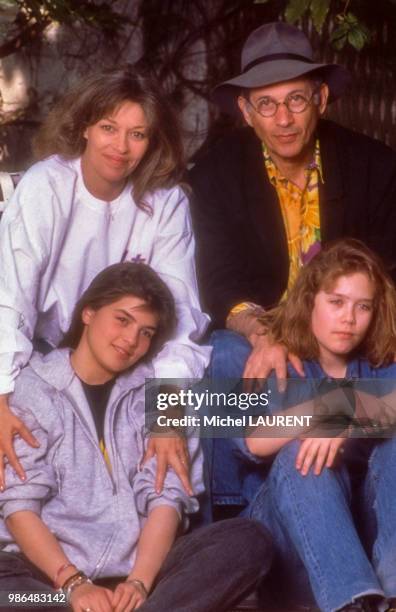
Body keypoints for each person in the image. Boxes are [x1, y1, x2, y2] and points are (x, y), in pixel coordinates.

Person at [0, 262, 272, 612]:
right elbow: (19, 506)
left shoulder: (161, 397)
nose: (131, 340)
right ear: (88, 312)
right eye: (123, 320)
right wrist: (74, 585)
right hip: (51, 583)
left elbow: (166, 498)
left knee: (248, 541)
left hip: (142, 578)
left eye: (146, 332)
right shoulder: (29, 387)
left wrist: (139, 583)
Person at [0, 65, 211, 492]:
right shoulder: (47, 185)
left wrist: (167, 414)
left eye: (138, 134)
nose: (120, 146)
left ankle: (180, 525)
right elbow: (11, 298)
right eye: (108, 127)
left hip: (131, 356)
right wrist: (1, 394)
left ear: (152, 141)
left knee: (184, 417)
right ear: (84, 129)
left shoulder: (166, 201)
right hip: (44, 360)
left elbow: (181, 311)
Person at [189, 21, 396, 383]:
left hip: (351, 339)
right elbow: (219, 281)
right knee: (224, 360)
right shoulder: (214, 175)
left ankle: (324, 427)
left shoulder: (375, 166)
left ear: (321, 99)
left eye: (296, 99)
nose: (283, 119)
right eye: (266, 104)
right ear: (246, 110)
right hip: (259, 333)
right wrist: (262, 335)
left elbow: (384, 270)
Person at [230, 240, 396, 612]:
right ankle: (351, 604)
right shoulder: (278, 362)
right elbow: (253, 442)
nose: (349, 318)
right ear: (311, 303)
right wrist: (328, 408)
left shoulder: (379, 366)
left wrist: (351, 411)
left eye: (363, 306)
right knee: (299, 454)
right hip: (287, 541)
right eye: (336, 302)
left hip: (366, 544)